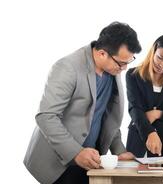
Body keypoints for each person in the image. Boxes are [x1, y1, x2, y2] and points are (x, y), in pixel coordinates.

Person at [23, 22, 142, 184]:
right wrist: (76, 153)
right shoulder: (67, 67)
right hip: (58, 162)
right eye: (122, 63)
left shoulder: (112, 69)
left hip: (90, 160)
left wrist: (119, 151)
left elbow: (106, 118)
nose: (125, 68)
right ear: (102, 54)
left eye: (129, 61)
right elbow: (46, 116)